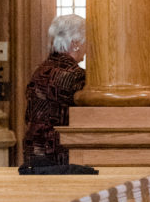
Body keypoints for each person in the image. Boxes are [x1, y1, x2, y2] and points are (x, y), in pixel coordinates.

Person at [21, 13, 97, 175]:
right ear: (75, 43)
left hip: (34, 152)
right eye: (87, 41)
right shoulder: (76, 76)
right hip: (60, 156)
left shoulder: (41, 70)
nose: (88, 47)